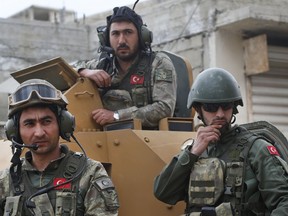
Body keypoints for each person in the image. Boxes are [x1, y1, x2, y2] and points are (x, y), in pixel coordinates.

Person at [153, 67, 288, 215]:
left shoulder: (256, 149)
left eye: (226, 106)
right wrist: (192, 153)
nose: (220, 114)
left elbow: (284, 202)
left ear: (234, 107)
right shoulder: (195, 151)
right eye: (211, 107)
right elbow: (162, 192)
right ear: (198, 110)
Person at [0, 79, 119, 215]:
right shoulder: (5, 180)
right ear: (15, 131)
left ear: (63, 125)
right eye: (29, 123)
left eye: (47, 121)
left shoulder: (89, 173)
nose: (39, 133)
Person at [73, 5, 177, 128]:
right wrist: (84, 71)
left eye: (128, 32)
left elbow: (164, 108)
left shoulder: (158, 63)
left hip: (149, 139)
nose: (121, 40)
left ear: (141, 36)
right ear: (106, 39)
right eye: (115, 34)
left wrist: (116, 116)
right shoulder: (102, 65)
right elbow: (64, 69)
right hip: (106, 140)